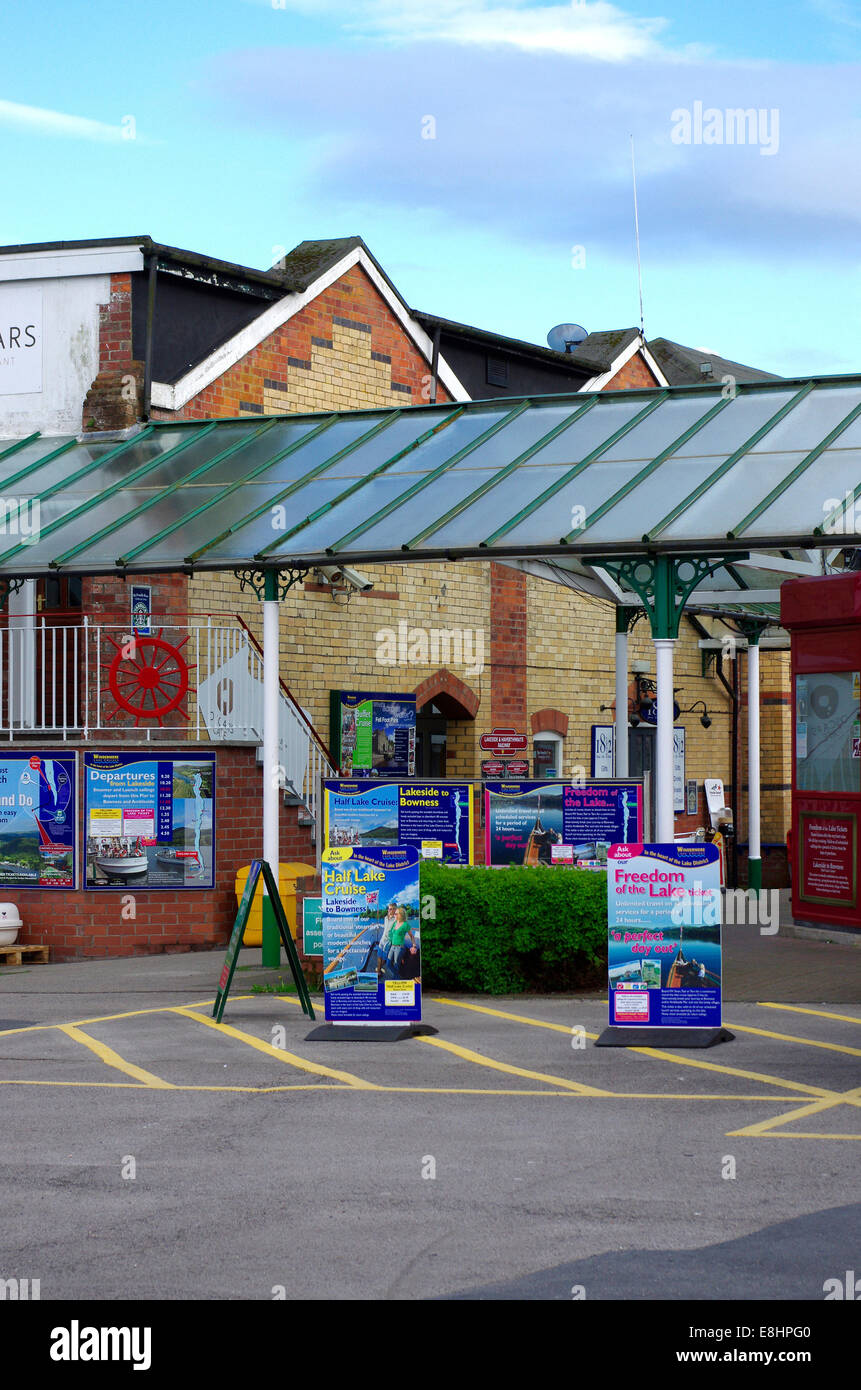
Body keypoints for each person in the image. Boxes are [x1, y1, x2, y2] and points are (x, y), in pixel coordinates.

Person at [388, 905, 418, 979]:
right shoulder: (395, 923)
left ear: (400, 915)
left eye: (396, 913)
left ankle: (396, 978)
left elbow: (411, 936)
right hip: (392, 946)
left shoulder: (405, 925)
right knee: (388, 963)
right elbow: (391, 933)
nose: (394, 914)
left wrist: (414, 946)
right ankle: (397, 975)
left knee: (396, 965)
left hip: (399, 947)